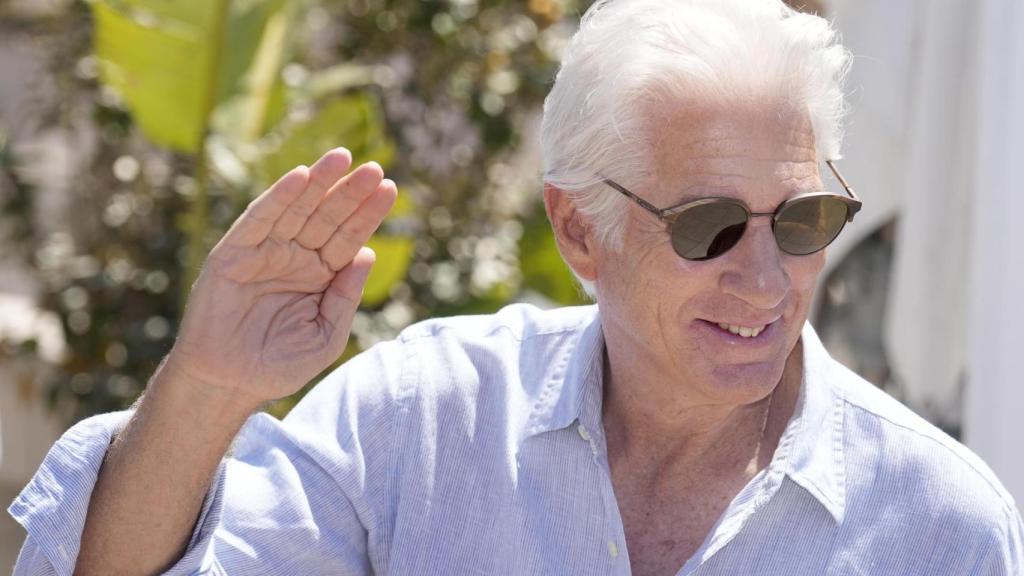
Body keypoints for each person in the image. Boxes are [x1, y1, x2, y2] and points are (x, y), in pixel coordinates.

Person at [9, 0, 1023, 574]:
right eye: (709, 227)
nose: (764, 278)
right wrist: (207, 384)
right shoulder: (420, 417)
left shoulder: (942, 525)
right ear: (579, 229)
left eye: (801, 222)